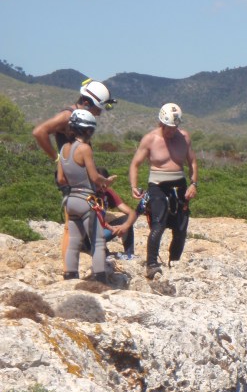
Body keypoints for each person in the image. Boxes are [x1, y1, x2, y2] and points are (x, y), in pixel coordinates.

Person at [32, 79, 116, 265]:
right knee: (71, 227)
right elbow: (39, 132)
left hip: (78, 178)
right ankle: (68, 271)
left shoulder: (76, 117)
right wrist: (57, 157)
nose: (99, 113)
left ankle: (76, 266)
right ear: (86, 102)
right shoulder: (66, 116)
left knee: (84, 221)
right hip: (71, 178)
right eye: (97, 108)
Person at [128, 103, 198, 279]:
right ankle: (151, 263)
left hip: (179, 184)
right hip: (158, 185)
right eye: (168, 128)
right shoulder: (150, 139)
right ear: (161, 123)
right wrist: (134, 186)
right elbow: (135, 164)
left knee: (181, 227)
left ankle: (174, 261)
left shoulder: (184, 137)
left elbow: (193, 162)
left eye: (175, 127)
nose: (171, 131)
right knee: (158, 223)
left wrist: (193, 184)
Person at [56, 109, 116, 283]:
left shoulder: (63, 149)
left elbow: (60, 179)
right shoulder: (84, 149)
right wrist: (108, 181)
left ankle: (70, 277)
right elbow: (95, 177)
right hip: (87, 200)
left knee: (74, 241)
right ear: (88, 130)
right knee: (97, 242)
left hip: (71, 200)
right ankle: (99, 280)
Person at [95, 167, 138, 259]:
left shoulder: (108, 193)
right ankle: (102, 252)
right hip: (91, 233)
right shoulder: (90, 194)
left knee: (126, 219)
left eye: (105, 184)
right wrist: (110, 228)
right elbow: (94, 219)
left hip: (103, 230)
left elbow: (132, 213)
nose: (103, 187)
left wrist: (125, 226)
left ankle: (129, 253)